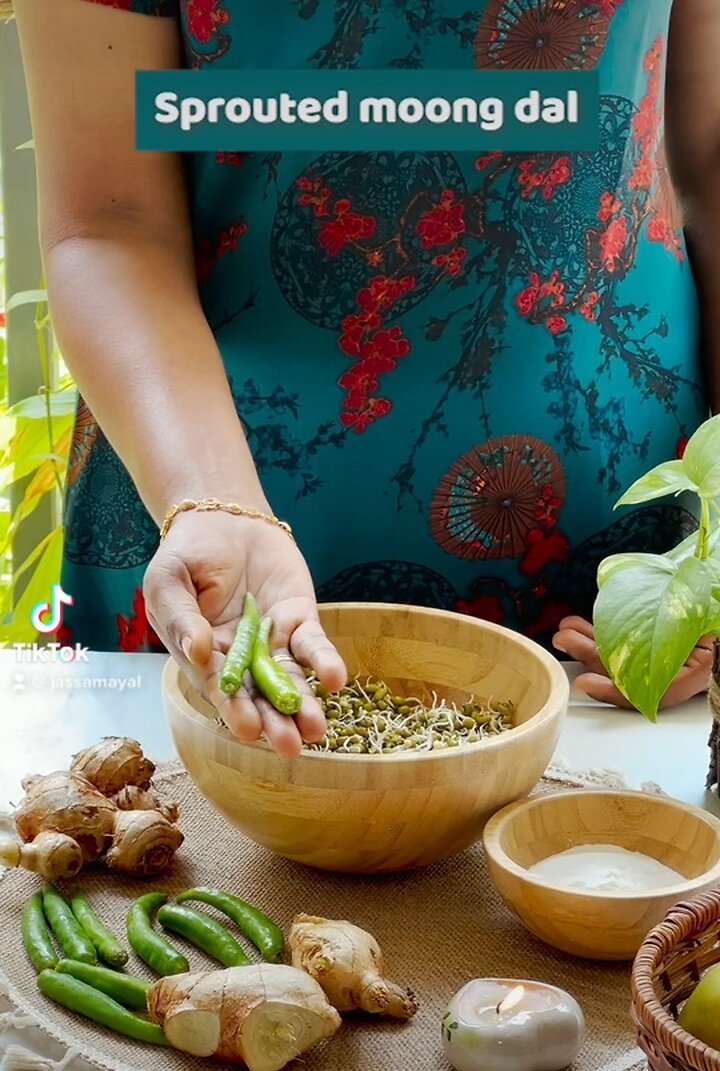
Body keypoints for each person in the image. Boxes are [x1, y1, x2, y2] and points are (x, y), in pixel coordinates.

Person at [8, 0, 718, 756]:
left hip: (626, 563)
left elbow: (709, 161)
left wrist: (701, 572)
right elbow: (108, 222)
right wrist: (211, 503)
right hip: (222, 541)